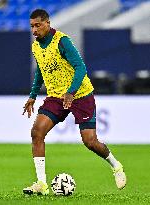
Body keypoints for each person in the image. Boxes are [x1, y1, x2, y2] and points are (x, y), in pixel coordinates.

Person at [22, 9, 126, 195]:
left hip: (80, 95)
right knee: (37, 132)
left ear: (47, 23)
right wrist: (33, 95)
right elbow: (40, 71)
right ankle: (41, 184)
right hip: (56, 96)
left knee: (90, 141)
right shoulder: (36, 46)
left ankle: (116, 166)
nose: (34, 30)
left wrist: (71, 92)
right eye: (32, 26)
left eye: (38, 25)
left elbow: (81, 67)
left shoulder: (62, 41)